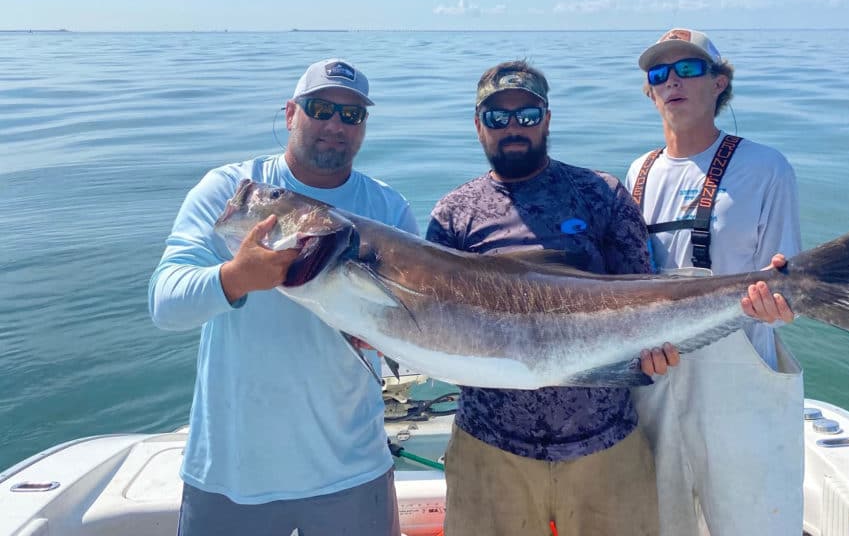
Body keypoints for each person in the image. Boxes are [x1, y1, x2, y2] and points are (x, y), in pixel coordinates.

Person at [149, 58, 417, 536]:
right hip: (231, 473)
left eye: (351, 114)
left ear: (363, 127)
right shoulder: (235, 192)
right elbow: (165, 304)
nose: (335, 124)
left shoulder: (387, 207)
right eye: (320, 108)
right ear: (291, 113)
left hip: (351, 466)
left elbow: (413, 318)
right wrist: (235, 278)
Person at [425, 60, 677, 536]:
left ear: (547, 118)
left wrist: (654, 348)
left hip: (607, 447)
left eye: (527, 113)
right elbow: (430, 319)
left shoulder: (600, 193)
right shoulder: (454, 213)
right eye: (498, 117)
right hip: (490, 450)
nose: (513, 127)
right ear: (479, 125)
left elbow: (644, 296)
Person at [625, 28, 804, 536]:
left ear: (719, 82)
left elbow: (787, 287)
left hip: (739, 379)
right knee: (662, 520)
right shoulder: (638, 171)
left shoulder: (765, 167)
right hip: (657, 372)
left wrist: (781, 303)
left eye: (689, 69)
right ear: (649, 91)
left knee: (753, 520)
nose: (672, 81)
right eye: (659, 74)